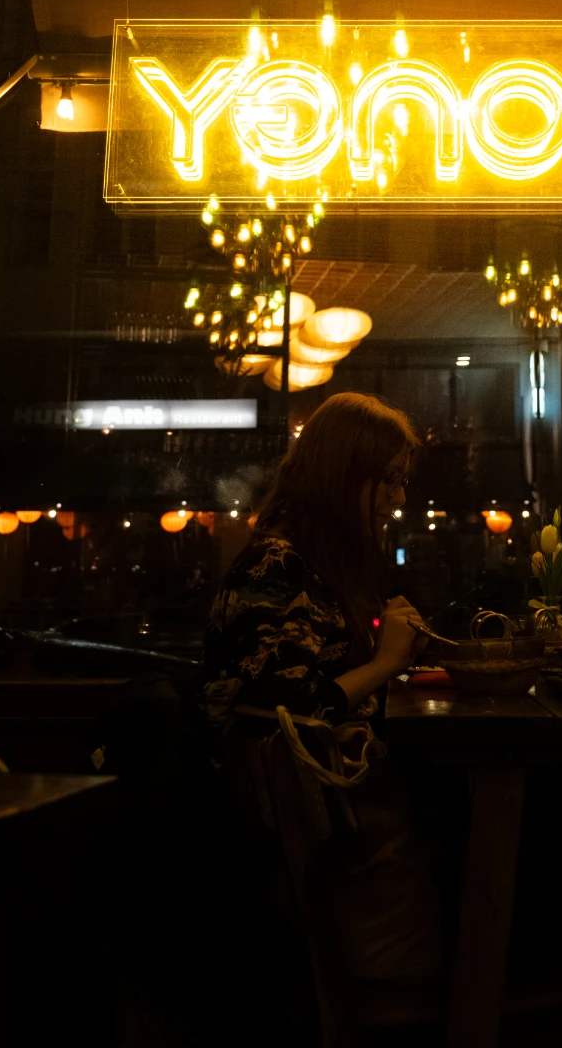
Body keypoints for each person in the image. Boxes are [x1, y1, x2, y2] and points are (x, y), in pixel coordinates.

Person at [200, 391, 441, 982]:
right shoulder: (275, 565)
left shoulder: (316, 562)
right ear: (342, 475)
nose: (398, 499)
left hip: (328, 822)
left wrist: (400, 652)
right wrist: (385, 664)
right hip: (306, 842)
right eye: (387, 481)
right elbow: (285, 713)